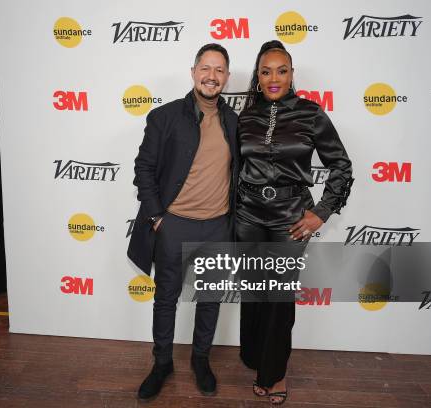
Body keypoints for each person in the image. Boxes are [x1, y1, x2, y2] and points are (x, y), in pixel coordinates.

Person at [236, 40, 353, 405]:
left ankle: (275, 373)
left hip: (290, 216)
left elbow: (341, 166)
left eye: (281, 71)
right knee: (254, 291)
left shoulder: (311, 113)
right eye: (266, 71)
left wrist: (322, 211)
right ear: (257, 76)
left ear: (291, 75)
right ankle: (255, 358)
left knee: (280, 296)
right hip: (248, 214)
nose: (274, 78)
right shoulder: (244, 116)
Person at [127, 43, 240, 401]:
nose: (212, 76)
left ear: (226, 77)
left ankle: (201, 360)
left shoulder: (234, 122)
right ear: (193, 72)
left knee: (210, 298)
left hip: (218, 226)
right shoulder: (165, 117)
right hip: (173, 224)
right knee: (166, 298)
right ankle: (162, 363)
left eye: (219, 70)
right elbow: (143, 169)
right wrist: (158, 216)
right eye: (205, 68)